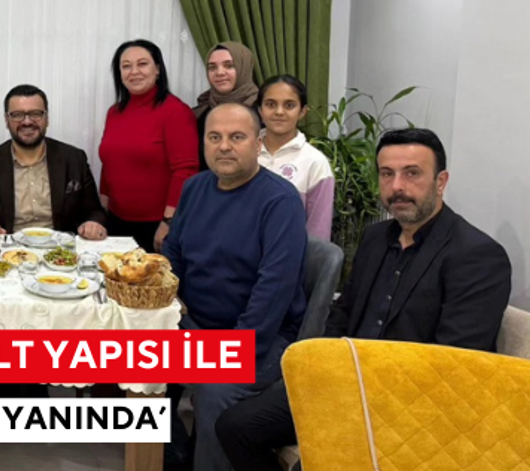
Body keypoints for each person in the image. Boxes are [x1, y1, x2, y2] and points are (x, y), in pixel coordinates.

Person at [216, 127, 512, 471]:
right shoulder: (375, 238)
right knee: (233, 426)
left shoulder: (476, 255)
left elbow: (455, 366)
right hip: (343, 385)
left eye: (412, 173)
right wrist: (323, 371)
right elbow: (343, 313)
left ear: (440, 181)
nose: (397, 186)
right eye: (387, 174)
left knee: (313, 462)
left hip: (409, 406)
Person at [161, 103, 308, 471]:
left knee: (214, 392)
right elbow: (173, 255)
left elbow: (271, 295)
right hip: (194, 324)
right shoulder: (195, 187)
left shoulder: (280, 202)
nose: (224, 146)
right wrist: (172, 303)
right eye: (214, 137)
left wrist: (225, 353)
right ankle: (173, 457)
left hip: (258, 340)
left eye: (236, 137)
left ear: (258, 144)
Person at [0, 84, 107, 240]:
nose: (27, 122)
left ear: (47, 118)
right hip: (8, 248)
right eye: (17, 115)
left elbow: (95, 211)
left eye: (35, 114)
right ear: (6, 120)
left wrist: (93, 223)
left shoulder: (74, 159)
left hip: (60, 248)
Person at [98, 39, 199, 252]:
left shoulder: (175, 111)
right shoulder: (114, 112)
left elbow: (185, 171)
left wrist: (168, 222)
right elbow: (109, 165)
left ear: (158, 69)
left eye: (142, 64)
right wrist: (101, 215)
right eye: (126, 66)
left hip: (158, 226)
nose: (134, 71)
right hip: (115, 222)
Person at [255, 75, 334, 240]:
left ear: (302, 112)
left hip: (289, 253)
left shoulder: (315, 162)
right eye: (270, 104)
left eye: (289, 105)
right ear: (260, 110)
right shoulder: (243, 154)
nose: (279, 112)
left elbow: (318, 233)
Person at [192, 42, 259, 172]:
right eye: (212, 67)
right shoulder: (200, 114)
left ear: (243, 68)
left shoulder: (263, 111)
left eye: (229, 66)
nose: (219, 72)